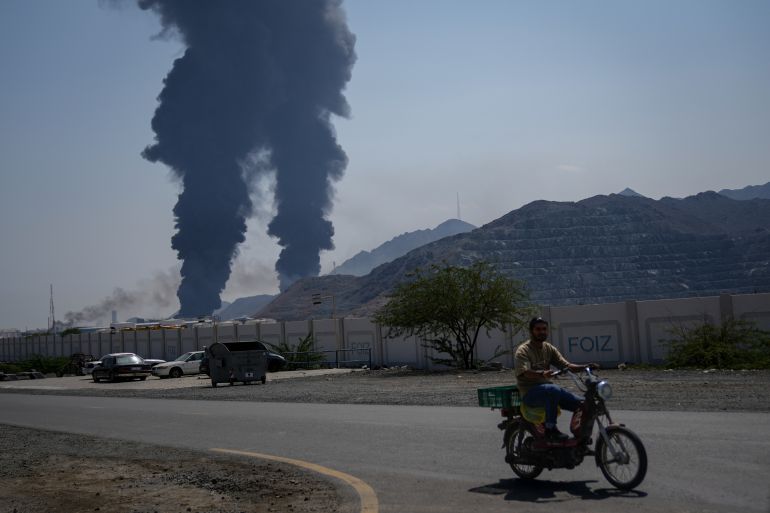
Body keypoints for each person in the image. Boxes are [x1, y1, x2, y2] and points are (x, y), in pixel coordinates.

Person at [514, 317, 598, 440]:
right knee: (553, 389)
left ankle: (580, 433)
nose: (542, 332)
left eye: (544, 329)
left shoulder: (549, 348)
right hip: (530, 393)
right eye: (538, 329)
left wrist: (585, 366)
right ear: (531, 331)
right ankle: (550, 429)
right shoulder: (523, 350)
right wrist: (542, 374)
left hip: (548, 390)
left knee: (583, 404)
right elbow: (524, 372)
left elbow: (567, 365)